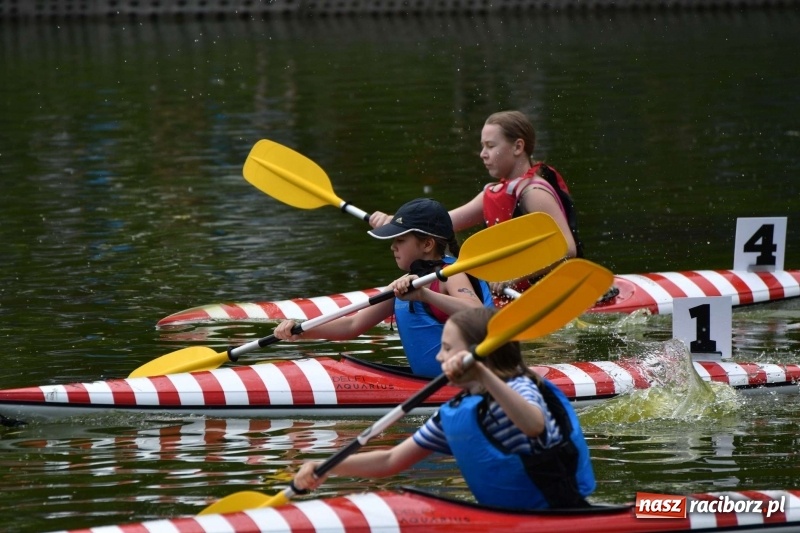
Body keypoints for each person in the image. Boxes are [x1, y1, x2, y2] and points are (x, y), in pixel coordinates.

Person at [290, 306, 596, 510]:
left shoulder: (520, 387)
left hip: (562, 514)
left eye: (448, 348)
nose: (439, 357)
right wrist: (326, 468)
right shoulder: (455, 411)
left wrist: (482, 372)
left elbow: (534, 425)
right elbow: (390, 460)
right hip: (509, 519)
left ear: (480, 354)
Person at [274, 198, 494, 378]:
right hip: (429, 383)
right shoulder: (404, 284)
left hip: (467, 381)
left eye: (400, 239)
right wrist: (301, 331)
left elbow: (479, 314)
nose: (392, 246)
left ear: (427, 244)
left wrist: (425, 295)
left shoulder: (451, 274)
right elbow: (352, 324)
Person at [370, 110, 584, 294]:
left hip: (555, 290)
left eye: (490, 146)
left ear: (518, 147)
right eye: (482, 146)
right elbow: (440, 223)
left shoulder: (534, 192)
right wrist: (396, 223)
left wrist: (516, 276)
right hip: (511, 290)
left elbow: (567, 248)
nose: (483, 154)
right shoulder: (494, 193)